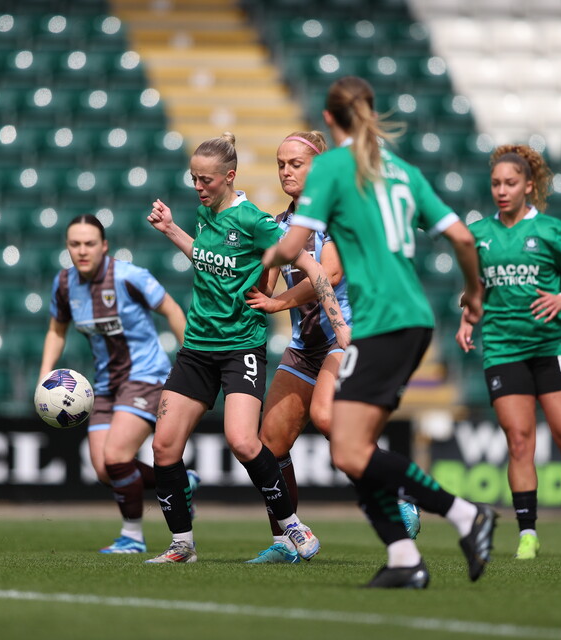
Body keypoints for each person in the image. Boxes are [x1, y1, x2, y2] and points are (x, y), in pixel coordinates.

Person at [263, 76, 497, 589]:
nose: (287, 170)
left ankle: (462, 516)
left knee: (345, 440)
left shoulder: (332, 172)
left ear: (329, 121)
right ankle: (405, 558)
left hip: (373, 325)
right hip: (409, 321)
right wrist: (474, 291)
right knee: (347, 447)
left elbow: (300, 249)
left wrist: (269, 257)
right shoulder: (400, 172)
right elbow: (462, 236)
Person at [144, 132, 341, 564]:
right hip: (197, 347)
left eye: (206, 180)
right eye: (194, 179)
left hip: (240, 348)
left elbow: (312, 267)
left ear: (229, 177)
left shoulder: (255, 221)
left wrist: (338, 322)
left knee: (244, 441)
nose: (198, 187)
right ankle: (182, 545)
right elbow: (206, 258)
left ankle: (292, 527)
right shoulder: (203, 215)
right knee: (163, 448)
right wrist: (171, 228)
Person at [244, 130, 419, 564]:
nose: (286, 170)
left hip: (348, 334)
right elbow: (262, 285)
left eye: (295, 163)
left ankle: (397, 492)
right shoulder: (278, 225)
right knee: (269, 444)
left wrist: (277, 301)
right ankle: (288, 538)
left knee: (325, 415)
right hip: (305, 347)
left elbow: (332, 274)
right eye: (281, 163)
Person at [454, 144, 561, 560]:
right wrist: (468, 318)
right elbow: (476, 290)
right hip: (503, 348)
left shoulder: (552, 230)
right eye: (495, 184)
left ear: (529, 185)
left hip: (550, 344)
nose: (501, 191)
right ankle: (527, 533)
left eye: (510, 183)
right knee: (519, 441)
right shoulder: (479, 235)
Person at [40, 214, 194, 555]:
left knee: (116, 455)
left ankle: (132, 536)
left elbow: (172, 310)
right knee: (103, 468)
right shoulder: (64, 284)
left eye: (89, 243)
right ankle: (182, 483)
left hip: (146, 377)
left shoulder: (129, 277)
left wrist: (190, 367)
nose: (82, 250)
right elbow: (56, 329)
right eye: (75, 244)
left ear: (104, 246)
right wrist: (45, 374)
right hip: (105, 384)